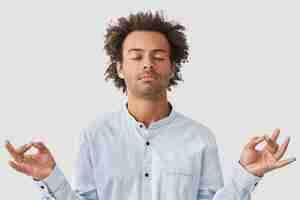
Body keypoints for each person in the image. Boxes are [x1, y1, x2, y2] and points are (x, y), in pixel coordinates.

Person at [4, 11, 296, 200]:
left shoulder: (200, 137)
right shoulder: (94, 134)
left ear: (172, 67)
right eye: (136, 56)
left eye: (157, 56)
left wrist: (247, 173)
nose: (147, 64)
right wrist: (49, 178)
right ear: (119, 67)